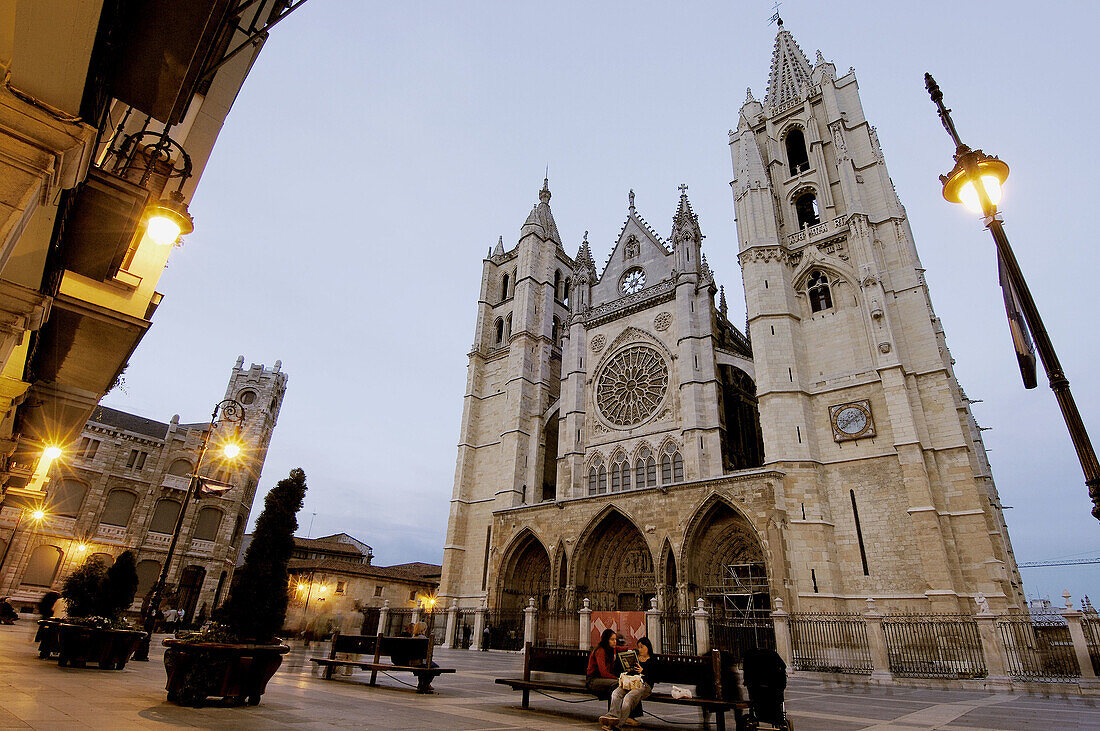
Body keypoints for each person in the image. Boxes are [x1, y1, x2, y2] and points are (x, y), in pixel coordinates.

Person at [600, 637, 655, 729]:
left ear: (648, 647)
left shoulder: (652, 660)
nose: (640, 649)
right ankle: (612, 716)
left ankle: (617, 725)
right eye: (639, 647)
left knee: (628, 698)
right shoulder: (636, 657)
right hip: (630, 683)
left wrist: (643, 671)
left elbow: (654, 677)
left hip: (644, 685)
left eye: (642, 647)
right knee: (616, 693)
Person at [586, 629, 625, 700]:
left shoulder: (611, 648)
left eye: (615, 639)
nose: (615, 642)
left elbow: (623, 648)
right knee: (618, 683)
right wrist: (618, 678)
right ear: (606, 640)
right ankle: (613, 709)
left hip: (603, 678)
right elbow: (604, 673)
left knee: (624, 684)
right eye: (612, 639)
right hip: (594, 680)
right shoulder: (600, 651)